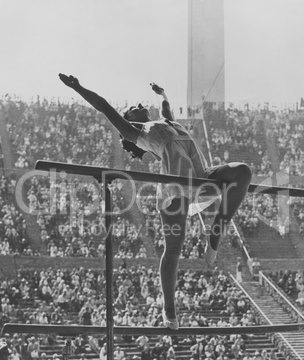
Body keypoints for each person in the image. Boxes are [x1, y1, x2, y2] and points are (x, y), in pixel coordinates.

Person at [59, 74, 252, 330]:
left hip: (202, 178)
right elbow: (104, 106)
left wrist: (162, 94)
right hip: (176, 188)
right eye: (131, 109)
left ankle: (215, 236)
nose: (137, 106)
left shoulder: (167, 121)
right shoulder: (137, 133)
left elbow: (165, 108)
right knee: (174, 248)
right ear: (130, 121)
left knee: (243, 171)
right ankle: (169, 308)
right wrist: (78, 87)